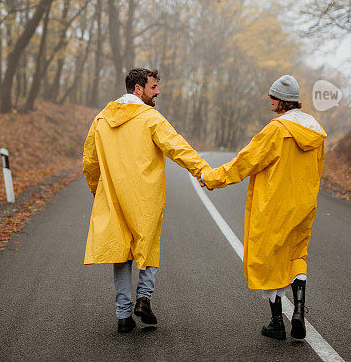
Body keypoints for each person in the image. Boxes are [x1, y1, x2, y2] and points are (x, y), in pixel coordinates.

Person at [83, 68, 211, 333]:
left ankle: (123, 315)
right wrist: (202, 170)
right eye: (153, 87)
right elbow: (177, 147)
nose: (158, 92)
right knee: (148, 246)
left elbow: (90, 161)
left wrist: (98, 191)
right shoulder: (150, 118)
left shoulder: (101, 119)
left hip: (114, 197)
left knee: (120, 253)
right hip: (145, 197)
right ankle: (144, 299)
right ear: (138, 89)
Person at [201, 74, 326, 340]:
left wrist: (213, 178)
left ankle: (276, 323)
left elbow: (246, 161)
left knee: (269, 260)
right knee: (297, 255)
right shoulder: (316, 131)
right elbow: (318, 169)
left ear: (282, 102)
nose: (270, 104)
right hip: (304, 204)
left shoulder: (276, 130)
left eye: (273, 99)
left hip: (274, 205)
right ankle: (299, 312)